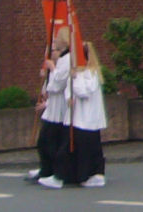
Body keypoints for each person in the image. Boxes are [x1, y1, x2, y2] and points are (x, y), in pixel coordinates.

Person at [45, 40, 108, 188]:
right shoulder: (78, 73)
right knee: (73, 149)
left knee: (85, 150)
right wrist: (68, 97)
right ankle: (69, 176)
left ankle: (86, 175)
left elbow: (83, 92)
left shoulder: (90, 73)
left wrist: (75, 78)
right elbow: (68, 89)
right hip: (76, 118)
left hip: (86, 120)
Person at [27, 26, 72, 185]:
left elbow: (57, 85)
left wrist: (52, 69)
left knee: (49, 142)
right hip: (52, 108)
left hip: (58, 110)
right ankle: (45, 169)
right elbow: (49, 87)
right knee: (44, 141)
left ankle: (50, 171)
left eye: (54, 49)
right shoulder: (61, 61)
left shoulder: (66, 61)